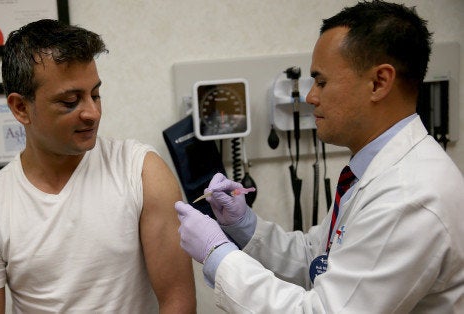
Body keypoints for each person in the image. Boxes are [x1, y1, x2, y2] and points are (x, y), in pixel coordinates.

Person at [175, 1, 464, 313]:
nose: (311, 96)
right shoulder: (374, 172)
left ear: (379, 82)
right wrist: (245, 226)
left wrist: (218, 255)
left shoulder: (410, 198)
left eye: (322, 82)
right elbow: (319, 258)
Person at [0, 19, 196, 313]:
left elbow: (177, 301)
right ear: (20, 108)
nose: (93, 113)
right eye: (70, 101)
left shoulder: (141, 171)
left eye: (95, 94)